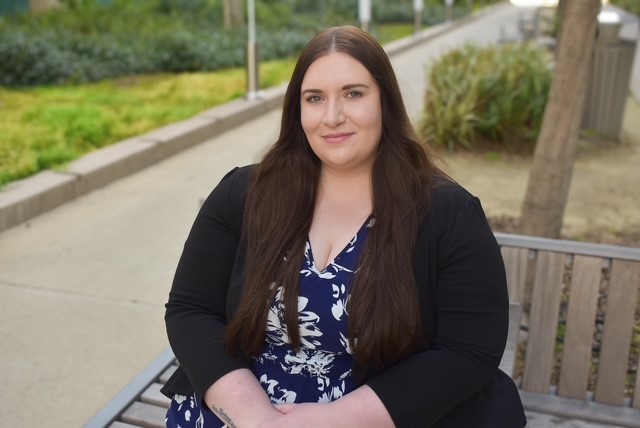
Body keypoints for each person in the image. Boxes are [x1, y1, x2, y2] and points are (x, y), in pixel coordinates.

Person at [161, 25, 526, 427]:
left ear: (384, 102)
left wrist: (332, 420)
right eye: (314, 98)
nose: (332, 117)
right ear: (297, 110)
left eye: (353, 94)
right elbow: (190, 309)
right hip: (238, 411)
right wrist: (256, 418)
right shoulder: (243, 194)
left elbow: (468, 351)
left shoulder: (446, 213)